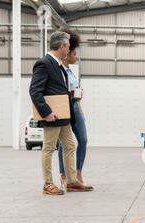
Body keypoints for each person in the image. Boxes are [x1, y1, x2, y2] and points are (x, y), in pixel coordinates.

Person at [29, 31, 93, 195]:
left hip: (64, 115)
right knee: (48, 148)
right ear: (63, 46)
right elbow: (35, 91)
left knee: (70, 145)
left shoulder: (59, 66)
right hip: (52, 116)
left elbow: (58, 89)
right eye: (68, 47)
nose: (69, 50)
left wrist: (72, 95)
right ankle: (48, 184)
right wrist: (46, 113)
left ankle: (71, 181)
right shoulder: (44, 63)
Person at [57, 28, 88, 188]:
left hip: (75, 107)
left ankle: (78, 173)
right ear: (67, 53)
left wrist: (80, 107)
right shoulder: (59, 69)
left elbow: (75, 93)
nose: (75, 56)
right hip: (65, 107)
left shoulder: (71, 72)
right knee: (65, 143)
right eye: (74, 53)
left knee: (83, 140)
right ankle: (64, 176)